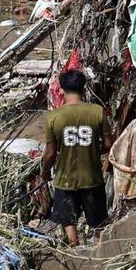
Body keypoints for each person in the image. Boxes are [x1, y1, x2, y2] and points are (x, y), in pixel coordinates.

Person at [38, 69, 112, 246]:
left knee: (69, 224)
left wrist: (45, 171)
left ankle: (75, 253)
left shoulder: (54, 117)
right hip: (93, 179)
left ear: (62, 89)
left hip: (65, 181)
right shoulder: (97, 112)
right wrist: (95, 149)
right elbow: (109, 145)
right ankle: (98, 257)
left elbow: (50, 153)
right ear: (84, 89)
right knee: (98, 225)